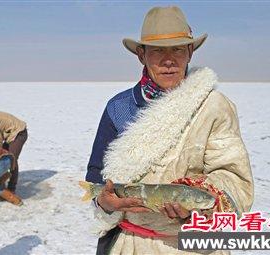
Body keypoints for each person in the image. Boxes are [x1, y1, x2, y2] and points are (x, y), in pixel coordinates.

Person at [85, 6, 254, 255]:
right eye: (157, 51)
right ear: (141, 55)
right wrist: (105, 202)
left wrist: (197, 203)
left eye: (177, 49)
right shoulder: (119, 108)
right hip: (131, 243)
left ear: (190, 52)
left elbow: (234, 177)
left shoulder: (214, 107)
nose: (168, 60)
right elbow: (97, 175)